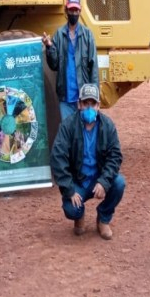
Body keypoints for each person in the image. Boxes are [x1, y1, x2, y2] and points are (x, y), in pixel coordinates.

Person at [50, 83, 125, 240]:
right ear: (79, 104)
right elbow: (58, 157)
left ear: (99, 105)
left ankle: (103, 218)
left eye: (93, 103)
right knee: (71, 209)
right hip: (78, 181)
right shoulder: (68, 126)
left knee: (119, 183)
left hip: (98, 178)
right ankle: (79, 215)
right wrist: (69, 189)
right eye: (85, 103)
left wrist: (104, 181)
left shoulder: (108, 126)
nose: (89, 108)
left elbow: (115, 156)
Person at [43, 0, 99, 120]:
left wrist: (95, 96)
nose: (73, 13)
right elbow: (54, 65)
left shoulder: (87, 35)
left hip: (83, 96)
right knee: (68, 132)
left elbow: (93, 67)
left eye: (76, 10)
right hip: (65, 98)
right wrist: (49, 47)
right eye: (71, 10)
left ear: (80, 11)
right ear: (66, 10)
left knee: (84, 130)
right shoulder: (59, 34)